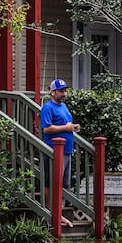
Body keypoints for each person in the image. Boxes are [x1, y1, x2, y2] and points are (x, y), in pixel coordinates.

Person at [41, 78, 80, 227]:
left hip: (67, 150)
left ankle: (59, 212)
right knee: (51, 181)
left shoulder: (64, 106)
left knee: (63, 183)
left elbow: (66, 125)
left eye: (65, 91)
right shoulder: (48, 108)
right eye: (61, 91)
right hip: (53, 150)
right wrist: (66, 128)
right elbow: (47, 129)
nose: (64, 93)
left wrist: (73, 127)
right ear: (52, 92)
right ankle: (52, 212)